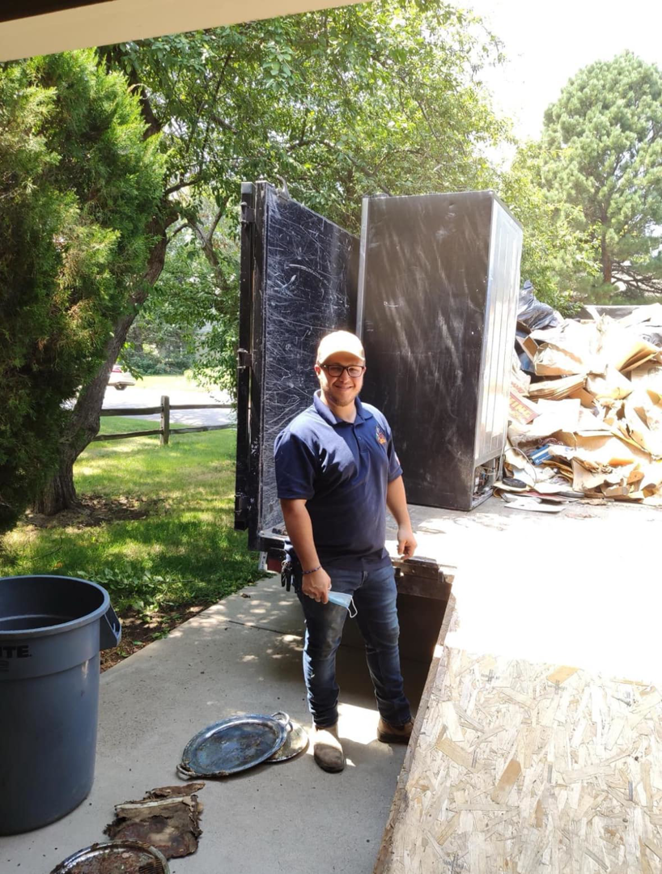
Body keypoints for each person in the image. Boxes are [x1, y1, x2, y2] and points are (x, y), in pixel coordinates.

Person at [274, 330, 417, 773]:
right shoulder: (300, 435)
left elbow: (391, 474)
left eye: (352, 368)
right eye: (334, 368)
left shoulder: (375, 420)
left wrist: (405, 524)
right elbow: (294, 509)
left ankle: (393, 719)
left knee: (386, 640)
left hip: (374, 560)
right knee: (323, 648)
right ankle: (326, 728)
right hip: (327, 567)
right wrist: (312, 568)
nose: (344, 377)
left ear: (363, 372)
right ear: (319, 371)